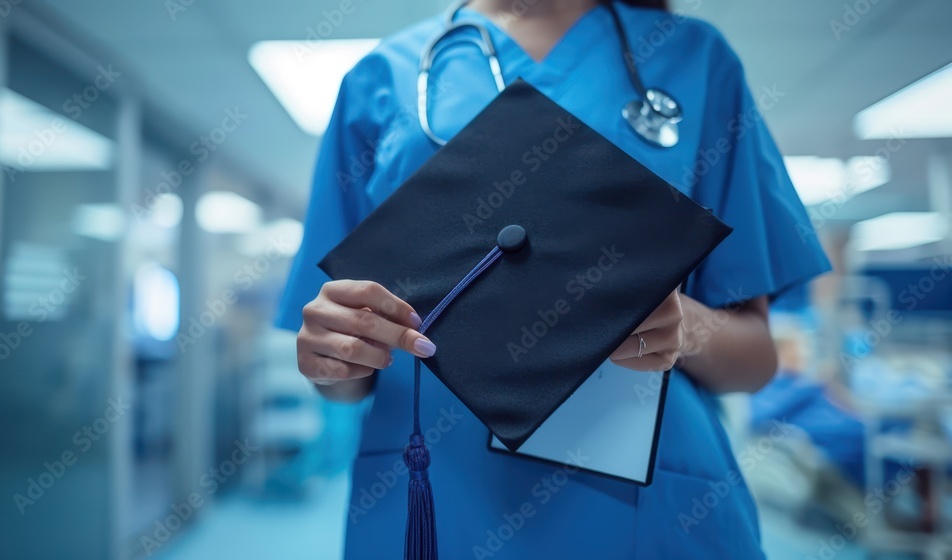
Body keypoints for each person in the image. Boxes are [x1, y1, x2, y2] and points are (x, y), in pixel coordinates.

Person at [276, 0, 831, 557]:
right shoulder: (382, 76)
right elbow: (345, 373)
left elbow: (756, 359)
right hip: (438, 496)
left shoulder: (694, 58)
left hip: (644, 504)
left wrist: (688, 327)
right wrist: (331, 360)